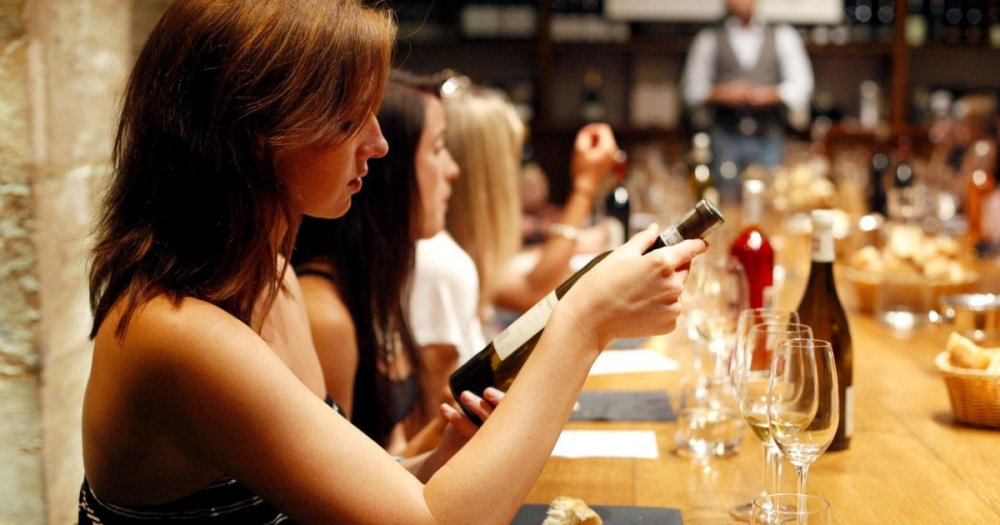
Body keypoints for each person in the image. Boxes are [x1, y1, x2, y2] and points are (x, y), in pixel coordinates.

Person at [80, 0, 706, 522]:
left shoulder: (272, 277)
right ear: (255, 133)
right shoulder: (176, 332)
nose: (379, 144)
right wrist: (585, 322)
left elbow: (329, 491)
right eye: (349, 118)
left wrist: (433, 464)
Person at [408, 81, 621, 418]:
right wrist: (585, 186)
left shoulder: (452, 250)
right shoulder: (441, 262)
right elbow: (535, 291)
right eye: (511, 158)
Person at [292, 72, 460, 456]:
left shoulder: (374, 283)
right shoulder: (324, 317)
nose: (452, 169)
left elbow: (388, 457)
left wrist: (449, 422)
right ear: (389, 171)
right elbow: (337, 484)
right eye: (437, 148)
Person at [681, 0, 814, 203]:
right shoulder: (710, 38)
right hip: (725, 135)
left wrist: (768, 95)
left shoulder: (782, 35)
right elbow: (691, 90)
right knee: (725, 201)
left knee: (769, 199)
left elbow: (802, 86)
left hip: (768, 135)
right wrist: (722, 93)